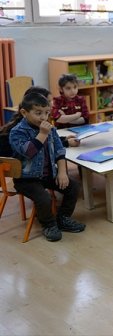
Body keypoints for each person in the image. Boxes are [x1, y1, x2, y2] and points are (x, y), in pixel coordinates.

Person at [7, 92, 85, 242]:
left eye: (47, 113)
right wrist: (43, 133)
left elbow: (59, 151)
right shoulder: (17, 132)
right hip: (26, 179)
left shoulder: (51, 130)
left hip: (48, 174)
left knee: (73, 186)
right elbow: (29, 152)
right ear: (24, 112)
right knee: (44, 198)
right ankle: (49, 225)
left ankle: (63, 218)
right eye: (38, 113)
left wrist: (62, 172)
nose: (44, 117)